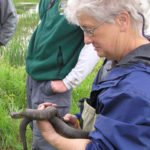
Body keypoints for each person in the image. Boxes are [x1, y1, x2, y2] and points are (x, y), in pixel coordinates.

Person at [37, 0, 150, 149]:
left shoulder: (135, 90)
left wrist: (52, 137)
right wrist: (81, 123)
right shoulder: (116, 60)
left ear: (122, 20)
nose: (86, 40)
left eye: (89, 29)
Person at [25, 0, 99, 149]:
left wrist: (69, 81)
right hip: (34, 78)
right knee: (37, 130)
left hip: (52, 85)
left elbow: (93, 42)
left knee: (48, 143)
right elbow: (46, 25)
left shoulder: (80, 2)